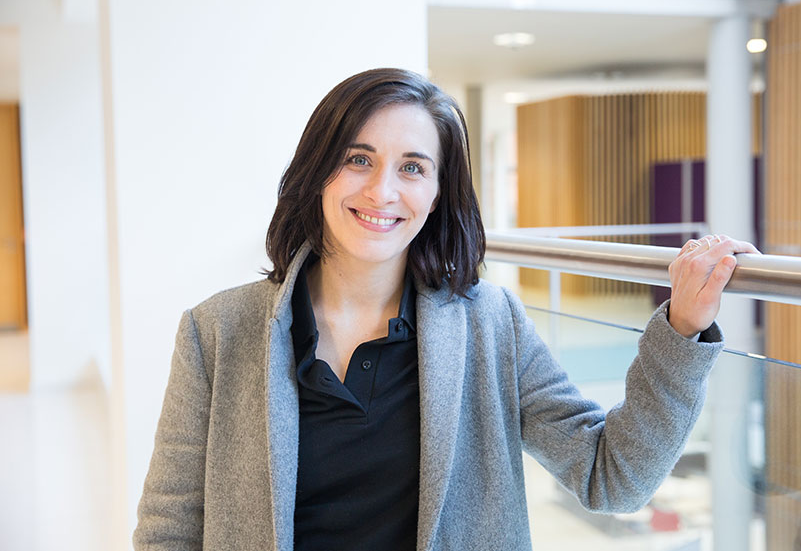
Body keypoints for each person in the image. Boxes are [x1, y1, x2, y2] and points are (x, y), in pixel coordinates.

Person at [132, 68, 758, 551]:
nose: (382, 191)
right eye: (358, 159)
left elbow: (612, 477)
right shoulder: (217, 331)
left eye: (412, 167)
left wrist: (682, 329)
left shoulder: (490, 325)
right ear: (318, 170)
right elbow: (169, 531)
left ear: (435, 194)